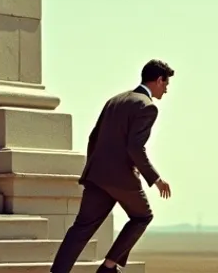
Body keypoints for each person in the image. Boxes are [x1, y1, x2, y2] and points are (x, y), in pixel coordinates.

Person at [50, 59, 175, 273]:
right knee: (143, 217)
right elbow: (135, 148)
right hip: (123, 179)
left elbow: (93, 137)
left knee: (82, 228)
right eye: (166, 84)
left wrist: (93, 168)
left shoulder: (114, 100)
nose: (166, 89)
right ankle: (108, 267)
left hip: (97, 176)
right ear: (158, 80)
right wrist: (156, 179)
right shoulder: (147, 107)